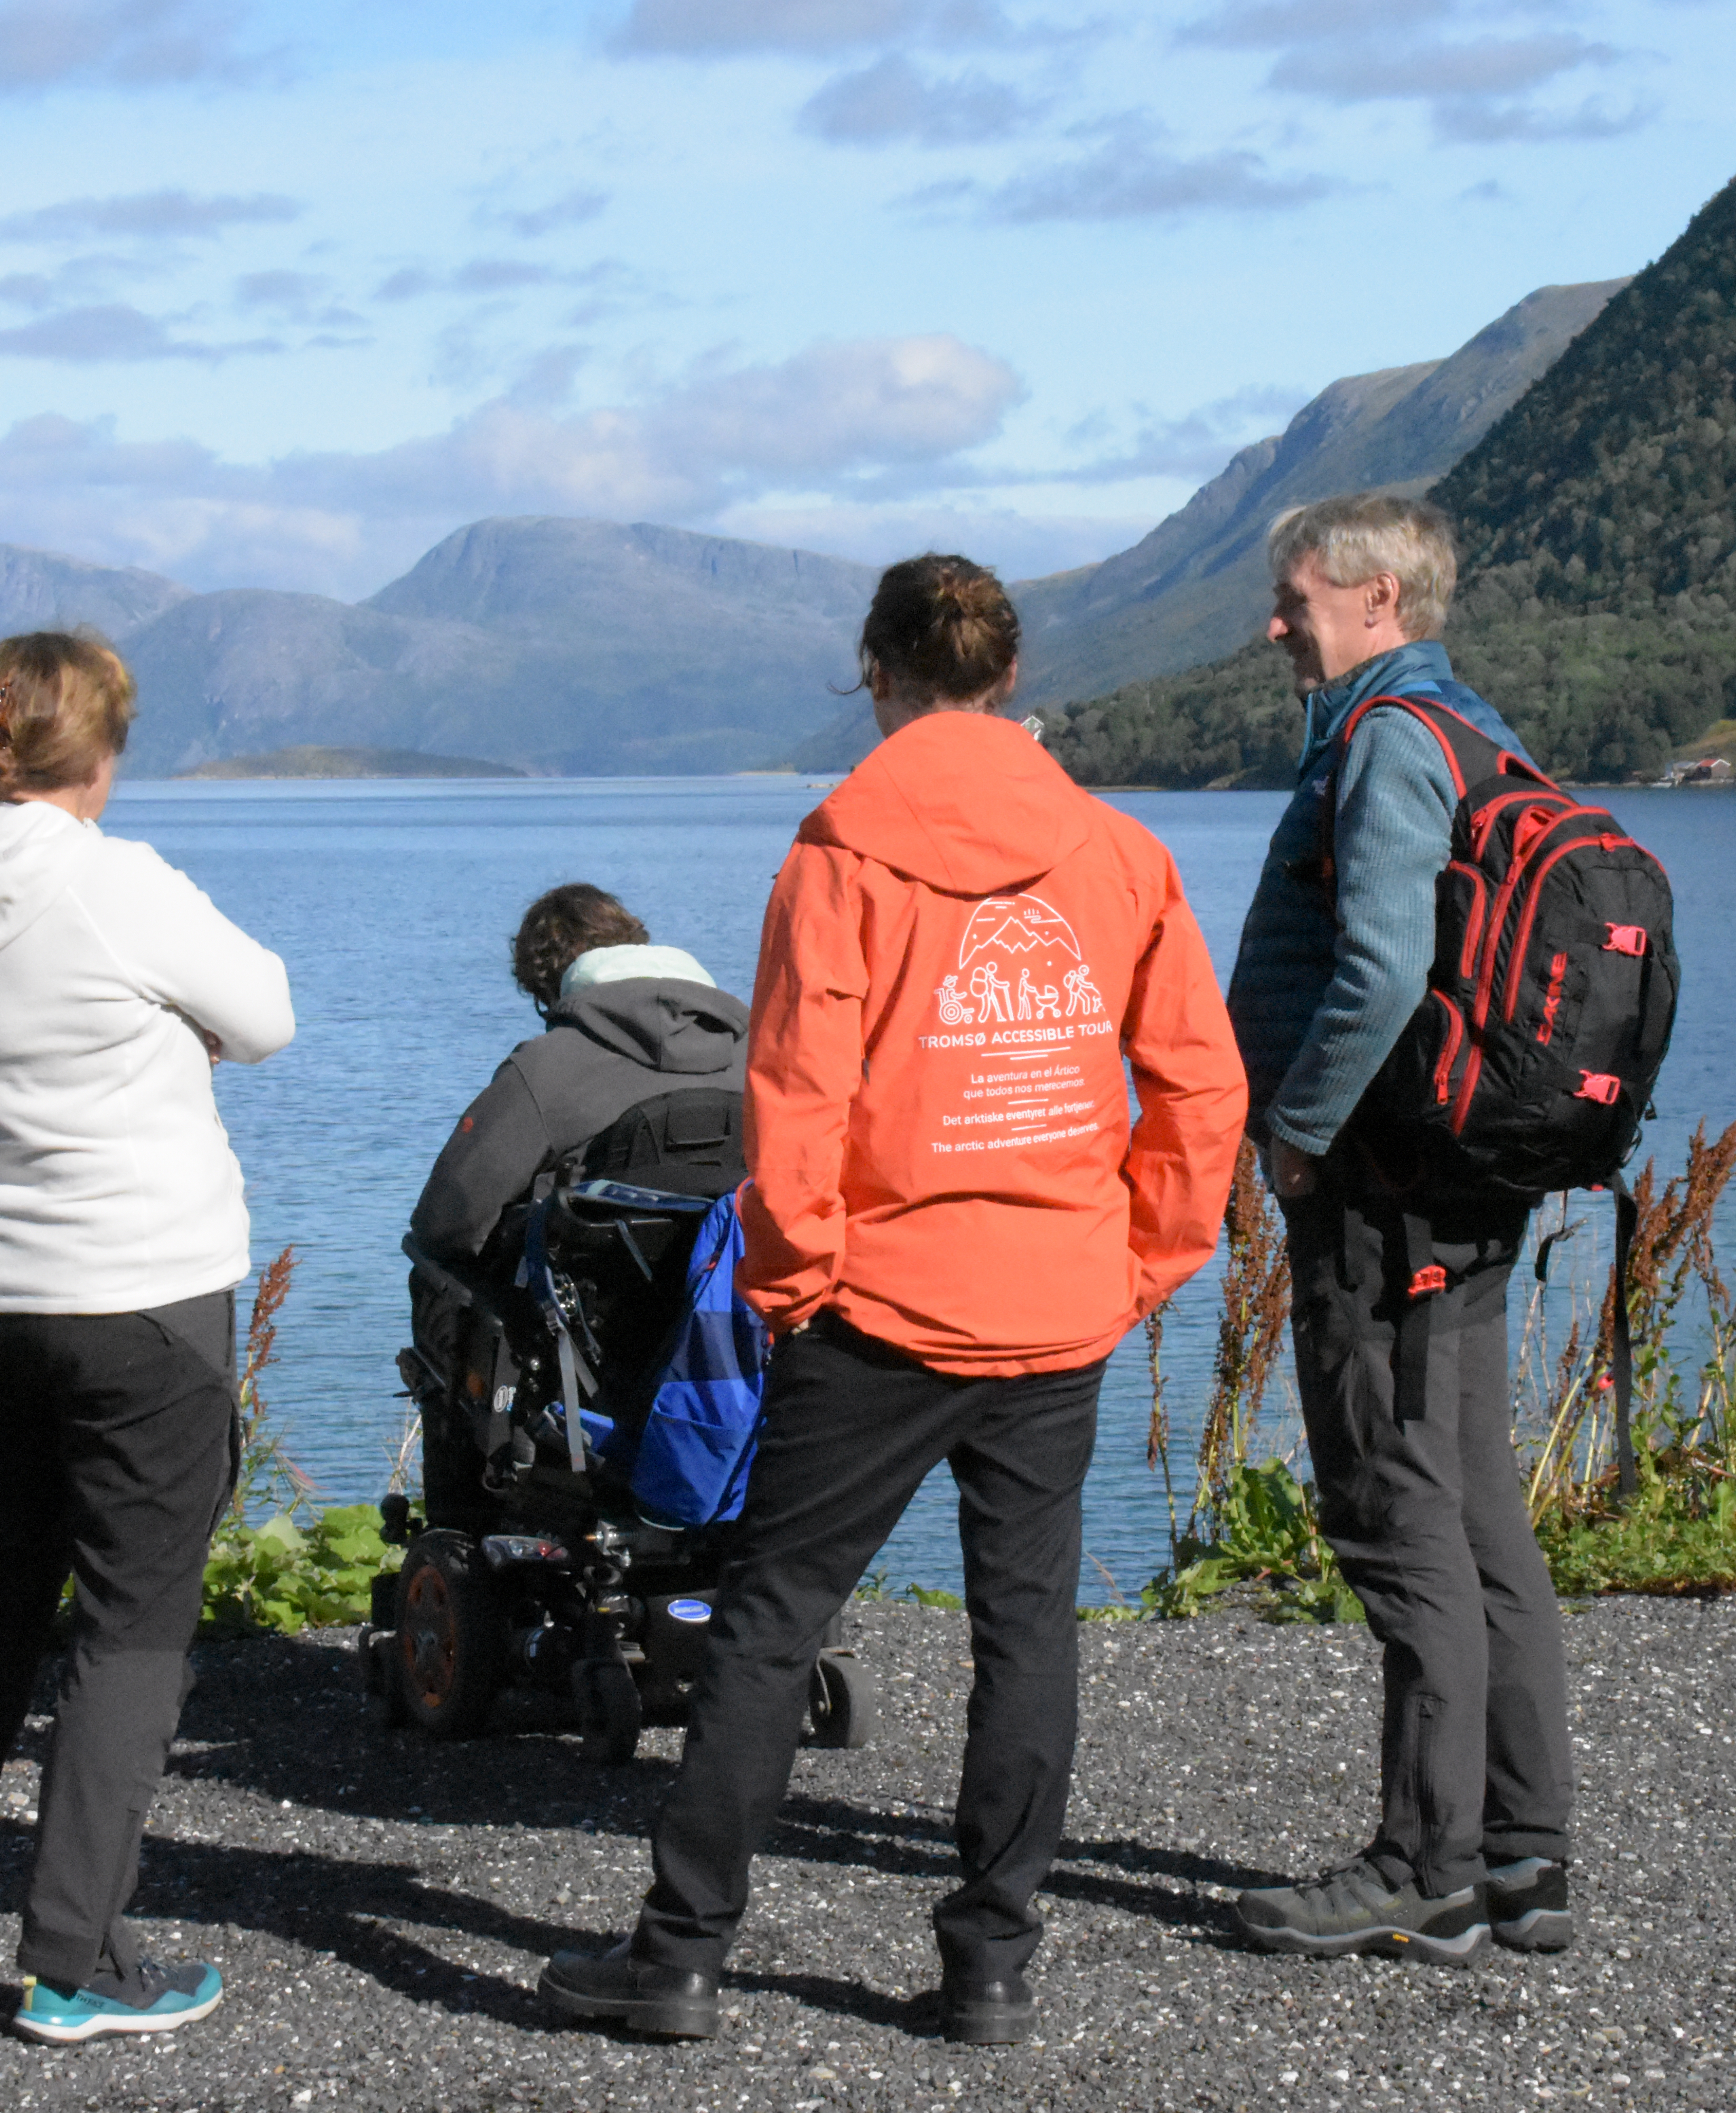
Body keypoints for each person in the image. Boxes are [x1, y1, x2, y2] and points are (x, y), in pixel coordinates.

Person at [538, 554, 1245, 2045]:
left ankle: (680, 1960)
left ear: (877, 671)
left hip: (881, 1304)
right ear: (1007, 677)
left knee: (772, 1619)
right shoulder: (1117, 853)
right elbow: (1201, 1083)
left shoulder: (841, 853)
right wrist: (1140, 1261)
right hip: (1056, 1304)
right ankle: (991, 1964)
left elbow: (796, 1100)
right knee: (1027, 1632)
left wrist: (795, 1281)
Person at [0, 630, 294, 2045]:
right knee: (132, 1626)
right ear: (100, 750)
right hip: (140, 1289)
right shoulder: (116, 880)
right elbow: (269, 1017)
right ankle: (73, 1962)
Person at [1220, 493, 1578, 1962]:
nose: (1275, 621)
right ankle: (1525, 1861)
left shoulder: (1382, 741)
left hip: (1384, 1187)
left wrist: (1295, 1143)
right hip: (1466, 1176)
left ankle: (1426, 1862)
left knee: (1395, 1507)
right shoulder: (1476, 730)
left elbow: (1377, 969)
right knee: (1481, 1506)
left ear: (1373, 600)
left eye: (1294, 596)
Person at [405, 882, 745, 1279]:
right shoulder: (760, 1051)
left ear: (551, 990)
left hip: (594, 1318)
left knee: (429, 1263)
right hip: (738, 1302)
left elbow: (446, 1224)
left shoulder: (544, 1069)